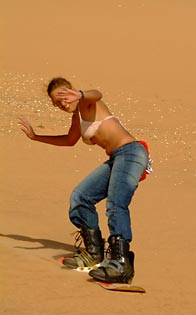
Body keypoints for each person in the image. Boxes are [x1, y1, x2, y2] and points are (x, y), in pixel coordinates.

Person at [18, 77, 152, 284]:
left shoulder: (87, 102)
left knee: (116, 204)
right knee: (81, 196)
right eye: (56, 102)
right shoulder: (77, 117)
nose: (62, 103)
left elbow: (97, 93)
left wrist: (80, 94)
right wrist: (36, 137)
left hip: (131, 153)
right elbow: (69, 141)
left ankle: (121, 264)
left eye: (63, 96)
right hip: (117, 158)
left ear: (71, 91)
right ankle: (94, 253)